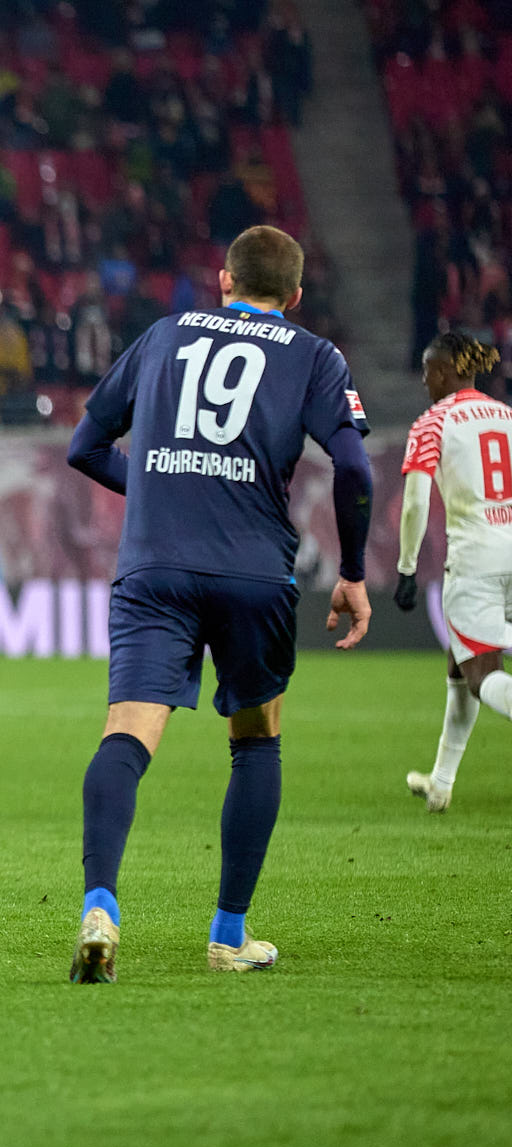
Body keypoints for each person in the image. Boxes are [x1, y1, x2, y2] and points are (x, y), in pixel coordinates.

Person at [64, 224, 373, 983]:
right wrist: (356, 571)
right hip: (252, 574)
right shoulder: (315, 356)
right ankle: (228, 936)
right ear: (295, 297)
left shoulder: (165, 334)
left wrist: (168, 490)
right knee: (257, 740)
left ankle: (99, 904)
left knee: (126, 738)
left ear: (224, 280)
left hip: (155, 569)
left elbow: (84, 446)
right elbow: (356, 469)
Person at [393, 333, 512, 811]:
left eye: (426, 373)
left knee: (482, 675)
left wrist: (405, 568)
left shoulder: (431, 423)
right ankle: (440, 784)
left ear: (443, 371)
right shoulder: (506, 415)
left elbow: (416, 502)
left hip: (476, 558)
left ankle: (442, 783)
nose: (424, 383)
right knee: (459, 670)